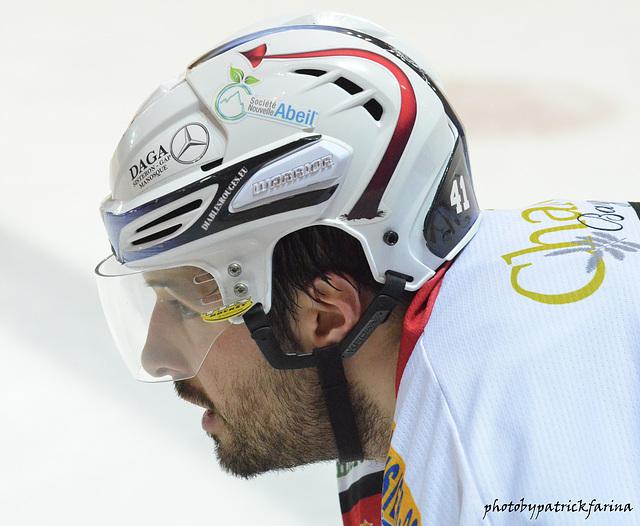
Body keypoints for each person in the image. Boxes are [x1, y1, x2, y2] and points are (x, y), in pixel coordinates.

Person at [95, 11, 640, 525]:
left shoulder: (502, 473)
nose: (156, 356)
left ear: (327, 317)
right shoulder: (396, 393)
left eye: (188, 304)